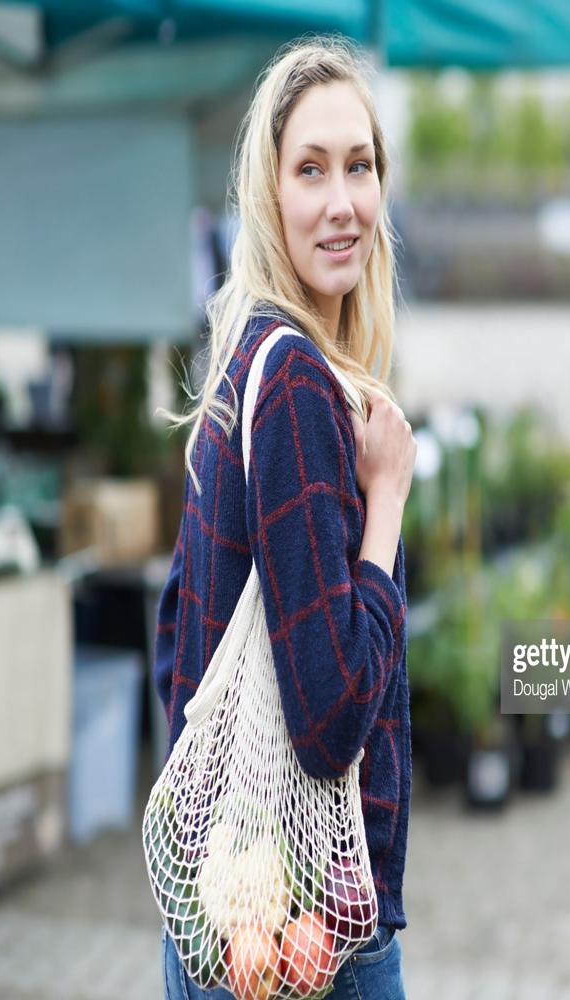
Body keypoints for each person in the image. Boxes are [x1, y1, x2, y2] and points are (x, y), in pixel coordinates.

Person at [153, 36, 416, 1000]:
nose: (342, 202)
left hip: (228, 926)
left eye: (361, 166)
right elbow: (334, 717)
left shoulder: (245, 361)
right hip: (314, 941)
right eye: (311, 170)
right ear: (269, 195)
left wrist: (224, 828)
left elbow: (173, 635)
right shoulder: (297, 386)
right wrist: (384, 500)